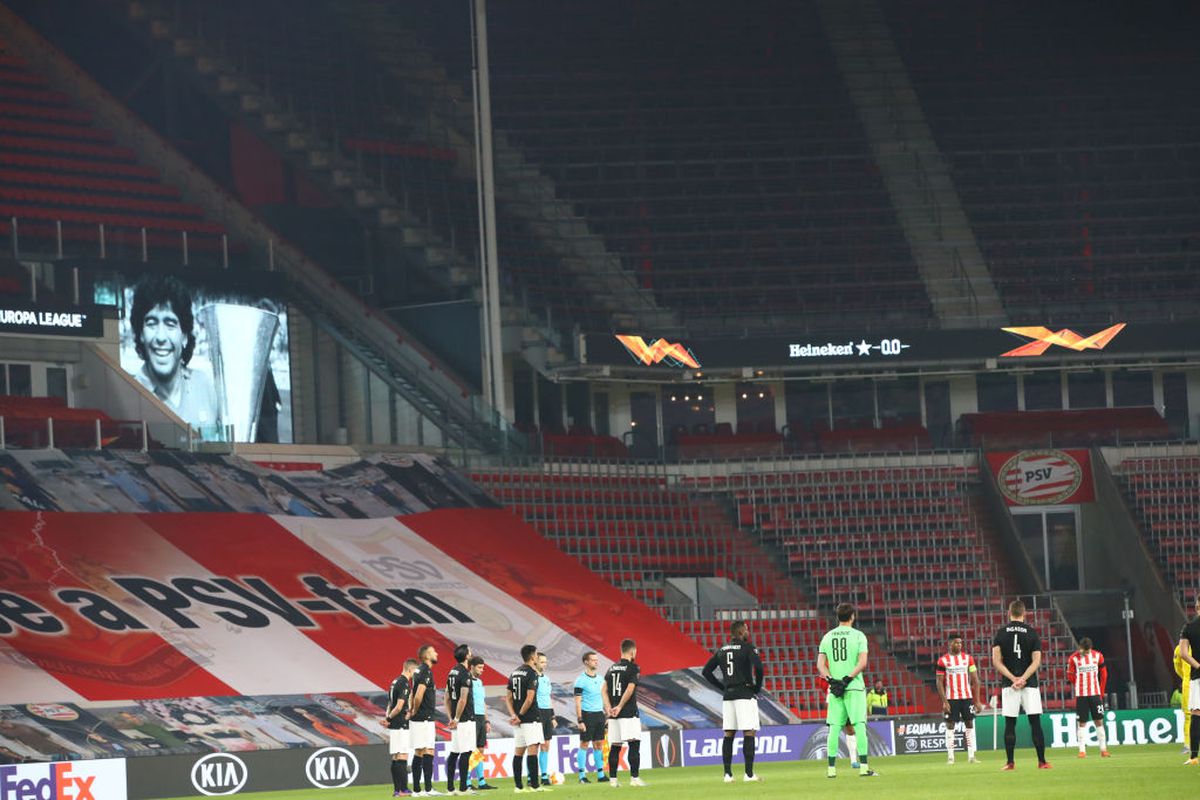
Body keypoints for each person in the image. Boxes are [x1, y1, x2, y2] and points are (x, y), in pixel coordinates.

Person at [128, 274, 220, 433]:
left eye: (170, 324)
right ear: (141, 334)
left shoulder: (203, 384)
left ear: (184, 335)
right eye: (151, 324)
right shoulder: (129, 395)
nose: (161, 337)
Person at [817, 603, 876, 778]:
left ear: (837, 617)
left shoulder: (827, 637)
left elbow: (820, 665)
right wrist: (847, 679)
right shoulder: (858, 636)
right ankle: (864, 767)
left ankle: (831, 769)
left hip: (835, 689)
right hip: (854, 687)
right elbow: (862, 663)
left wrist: (831, 681)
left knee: (834, 728)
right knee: (859, 726)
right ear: (852, 617)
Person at [701, 620, 764, 783]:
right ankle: (749, 775)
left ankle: (727, 775)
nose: (748, 632)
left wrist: (722, 687)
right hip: (744, 694)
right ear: (741, 632)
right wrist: (756, 687)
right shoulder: (748, 648)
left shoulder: (722, 650)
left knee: (729, 734)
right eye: (747, 629)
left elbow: (706, 671)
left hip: (728, 696)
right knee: (749, 732)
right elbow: (759, 667)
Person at [992, 600, 1050, 771]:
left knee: (1010, 724)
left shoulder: (1001, 633)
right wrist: (1023, 678)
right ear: (1024, 613)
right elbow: (1037, 660)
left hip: (1009, 685)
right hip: (1029, 684)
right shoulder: (1032, 633)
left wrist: (1013, 679)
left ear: (1009, 612)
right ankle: (1042, 762)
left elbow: (996, 661)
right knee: (1035, 723)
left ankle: (1010, 763)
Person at [604, 638, 647, 787]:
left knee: (615, 746)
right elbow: (630, 688)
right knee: (634, 744)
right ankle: (634, 779)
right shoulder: (633, 668)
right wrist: (620, 706)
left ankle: (613, 781)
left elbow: (603, 690)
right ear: (632, 651)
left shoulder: (611, 668)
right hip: (628, 712)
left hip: (613, 714)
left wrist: (609, 707)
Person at [936, 633, 982, 765]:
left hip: (966, 697)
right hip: (951, 698)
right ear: (950, 644)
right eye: (957, 642)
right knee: (950, 725)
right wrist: (944, 701)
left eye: (961, 643)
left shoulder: (968, 659)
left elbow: (975, 680)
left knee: (969, 723)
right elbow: (939, 682)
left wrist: (977, 701)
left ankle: (971, 756)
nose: (959, 645)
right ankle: (951, 757)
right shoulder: (943, 661)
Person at [505, 644, 545, 793]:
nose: (537, 657)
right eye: (536, 655)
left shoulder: (514, 673)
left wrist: (514, 715)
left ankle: (518, 786)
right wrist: (520, 716)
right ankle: (534, 786)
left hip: (519, 721)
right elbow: (529, 699)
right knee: (533, 749)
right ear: (533, 657)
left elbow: (508, 697)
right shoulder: (531, 673)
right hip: (530, 718)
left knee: (518, 751)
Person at [1066, 637, 1110, 759]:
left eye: (1088, 651)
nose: (1086, 653)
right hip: (1081, 695)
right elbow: (1070, 675)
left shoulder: (1098, 656)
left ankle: (1103, 749)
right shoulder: (1073, 658)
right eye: (1084, 651)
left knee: (1099, 721)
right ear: (1080, 648)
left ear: (1090, 648)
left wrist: (1101, 691)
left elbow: (1104, 674)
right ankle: (1082, 751)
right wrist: (1078, 685)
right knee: (1082, 723)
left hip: (1095, 694)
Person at [384, 658, 419, 797]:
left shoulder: (394, 682)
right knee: (402, 755)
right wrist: (388, 718)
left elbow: (390, 704)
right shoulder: (405, 683)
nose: (415, 674)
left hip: (394, 724)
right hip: (400, 723)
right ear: (410, 669)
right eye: (415, 671)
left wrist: (387, 718)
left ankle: (397, 790)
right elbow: (398, 706)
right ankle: (402, 789)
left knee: (396, 756)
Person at [407, 644, 439, 796]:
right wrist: (414, 709)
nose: (436, 654)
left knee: (419, 751)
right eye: (433, 652)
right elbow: (418, 694)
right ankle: (427, 788)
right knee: (428, 750)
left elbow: (412, 693)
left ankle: (417, 790)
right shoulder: (426, 671)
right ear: (426, 656)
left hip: (418, 718)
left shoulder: (417, 671)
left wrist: (411, 710)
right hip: (424, 717)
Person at [573, 651, 607, 784]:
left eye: (597, 660)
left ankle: (601, 775)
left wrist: (607, 714)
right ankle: (582, 776)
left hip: (599, 714)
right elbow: (577, 701)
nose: (596, 662)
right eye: (593, 660)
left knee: (599, 744)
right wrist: (580, 719)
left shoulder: (601, 679)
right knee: (584, 744)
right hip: (587, 715)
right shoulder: (580, 680)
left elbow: (604, 698)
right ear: (586, 662)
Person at [445, 644, 475, 795]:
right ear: (466, 655)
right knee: (466, 752)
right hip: (464, 719)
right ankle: (463, 787)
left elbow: (447, 697)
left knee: (455, 752)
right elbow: (463, 699)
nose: (472, 653)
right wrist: (456, 718)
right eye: (470, 651)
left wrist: (451, 717)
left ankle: (450, 788)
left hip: (457, 719)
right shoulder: (464, 673)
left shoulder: (452, 672)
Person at [466, 656, 496, 791]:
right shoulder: (466, 681)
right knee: (470, 750)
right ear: (471, 666)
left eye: (483, 668)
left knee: (480, 749)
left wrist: (486, 720)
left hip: (480, 719)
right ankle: (466, 780)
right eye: (479, 667)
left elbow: (482, 702)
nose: (482, 670)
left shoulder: (479, 682)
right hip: (471, 718)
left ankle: (481, 781)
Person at [1178, 593, 1200, 765]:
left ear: (1196, 607)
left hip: (1197, 677)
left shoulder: (1188, 627)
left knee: (1196, 715)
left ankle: (1193, 756)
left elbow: (1184, 654)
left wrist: (1198, 666)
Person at [535, 652, 555, 784]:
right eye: (542, 662)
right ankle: (531, 777)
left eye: (545, 662)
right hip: (537, 713)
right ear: (535, 662)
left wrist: (553, 715)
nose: (544, 664)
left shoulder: (546, 679)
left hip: (547, 713)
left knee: (546, 745)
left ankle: (544, 776)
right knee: (534, 746)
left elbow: (549, 698)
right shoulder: (532, 678)